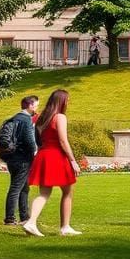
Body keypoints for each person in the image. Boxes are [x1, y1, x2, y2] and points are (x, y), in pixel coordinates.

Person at [23, 89, 81, 237]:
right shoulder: (60, 117)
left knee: (44, 193)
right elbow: (63, 140)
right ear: (61, 101)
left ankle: (31, 222)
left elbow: (38, 138)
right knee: (67, 192)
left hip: (44, 154)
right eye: (67, 100)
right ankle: (65, 227)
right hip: (57, 156)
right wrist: (73, 160)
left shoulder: (41, 117)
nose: (68, 102)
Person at [4, 95, 39, 226]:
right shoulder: (26, 120)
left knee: (24, 188)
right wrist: (35, 152)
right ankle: (10, 218)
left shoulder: (14, 118)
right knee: (16, 188)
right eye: (36, 105)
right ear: (30, 106)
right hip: (23, 158)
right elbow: (30, 140)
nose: (37, 108)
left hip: (11, 157)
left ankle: (24, 216)